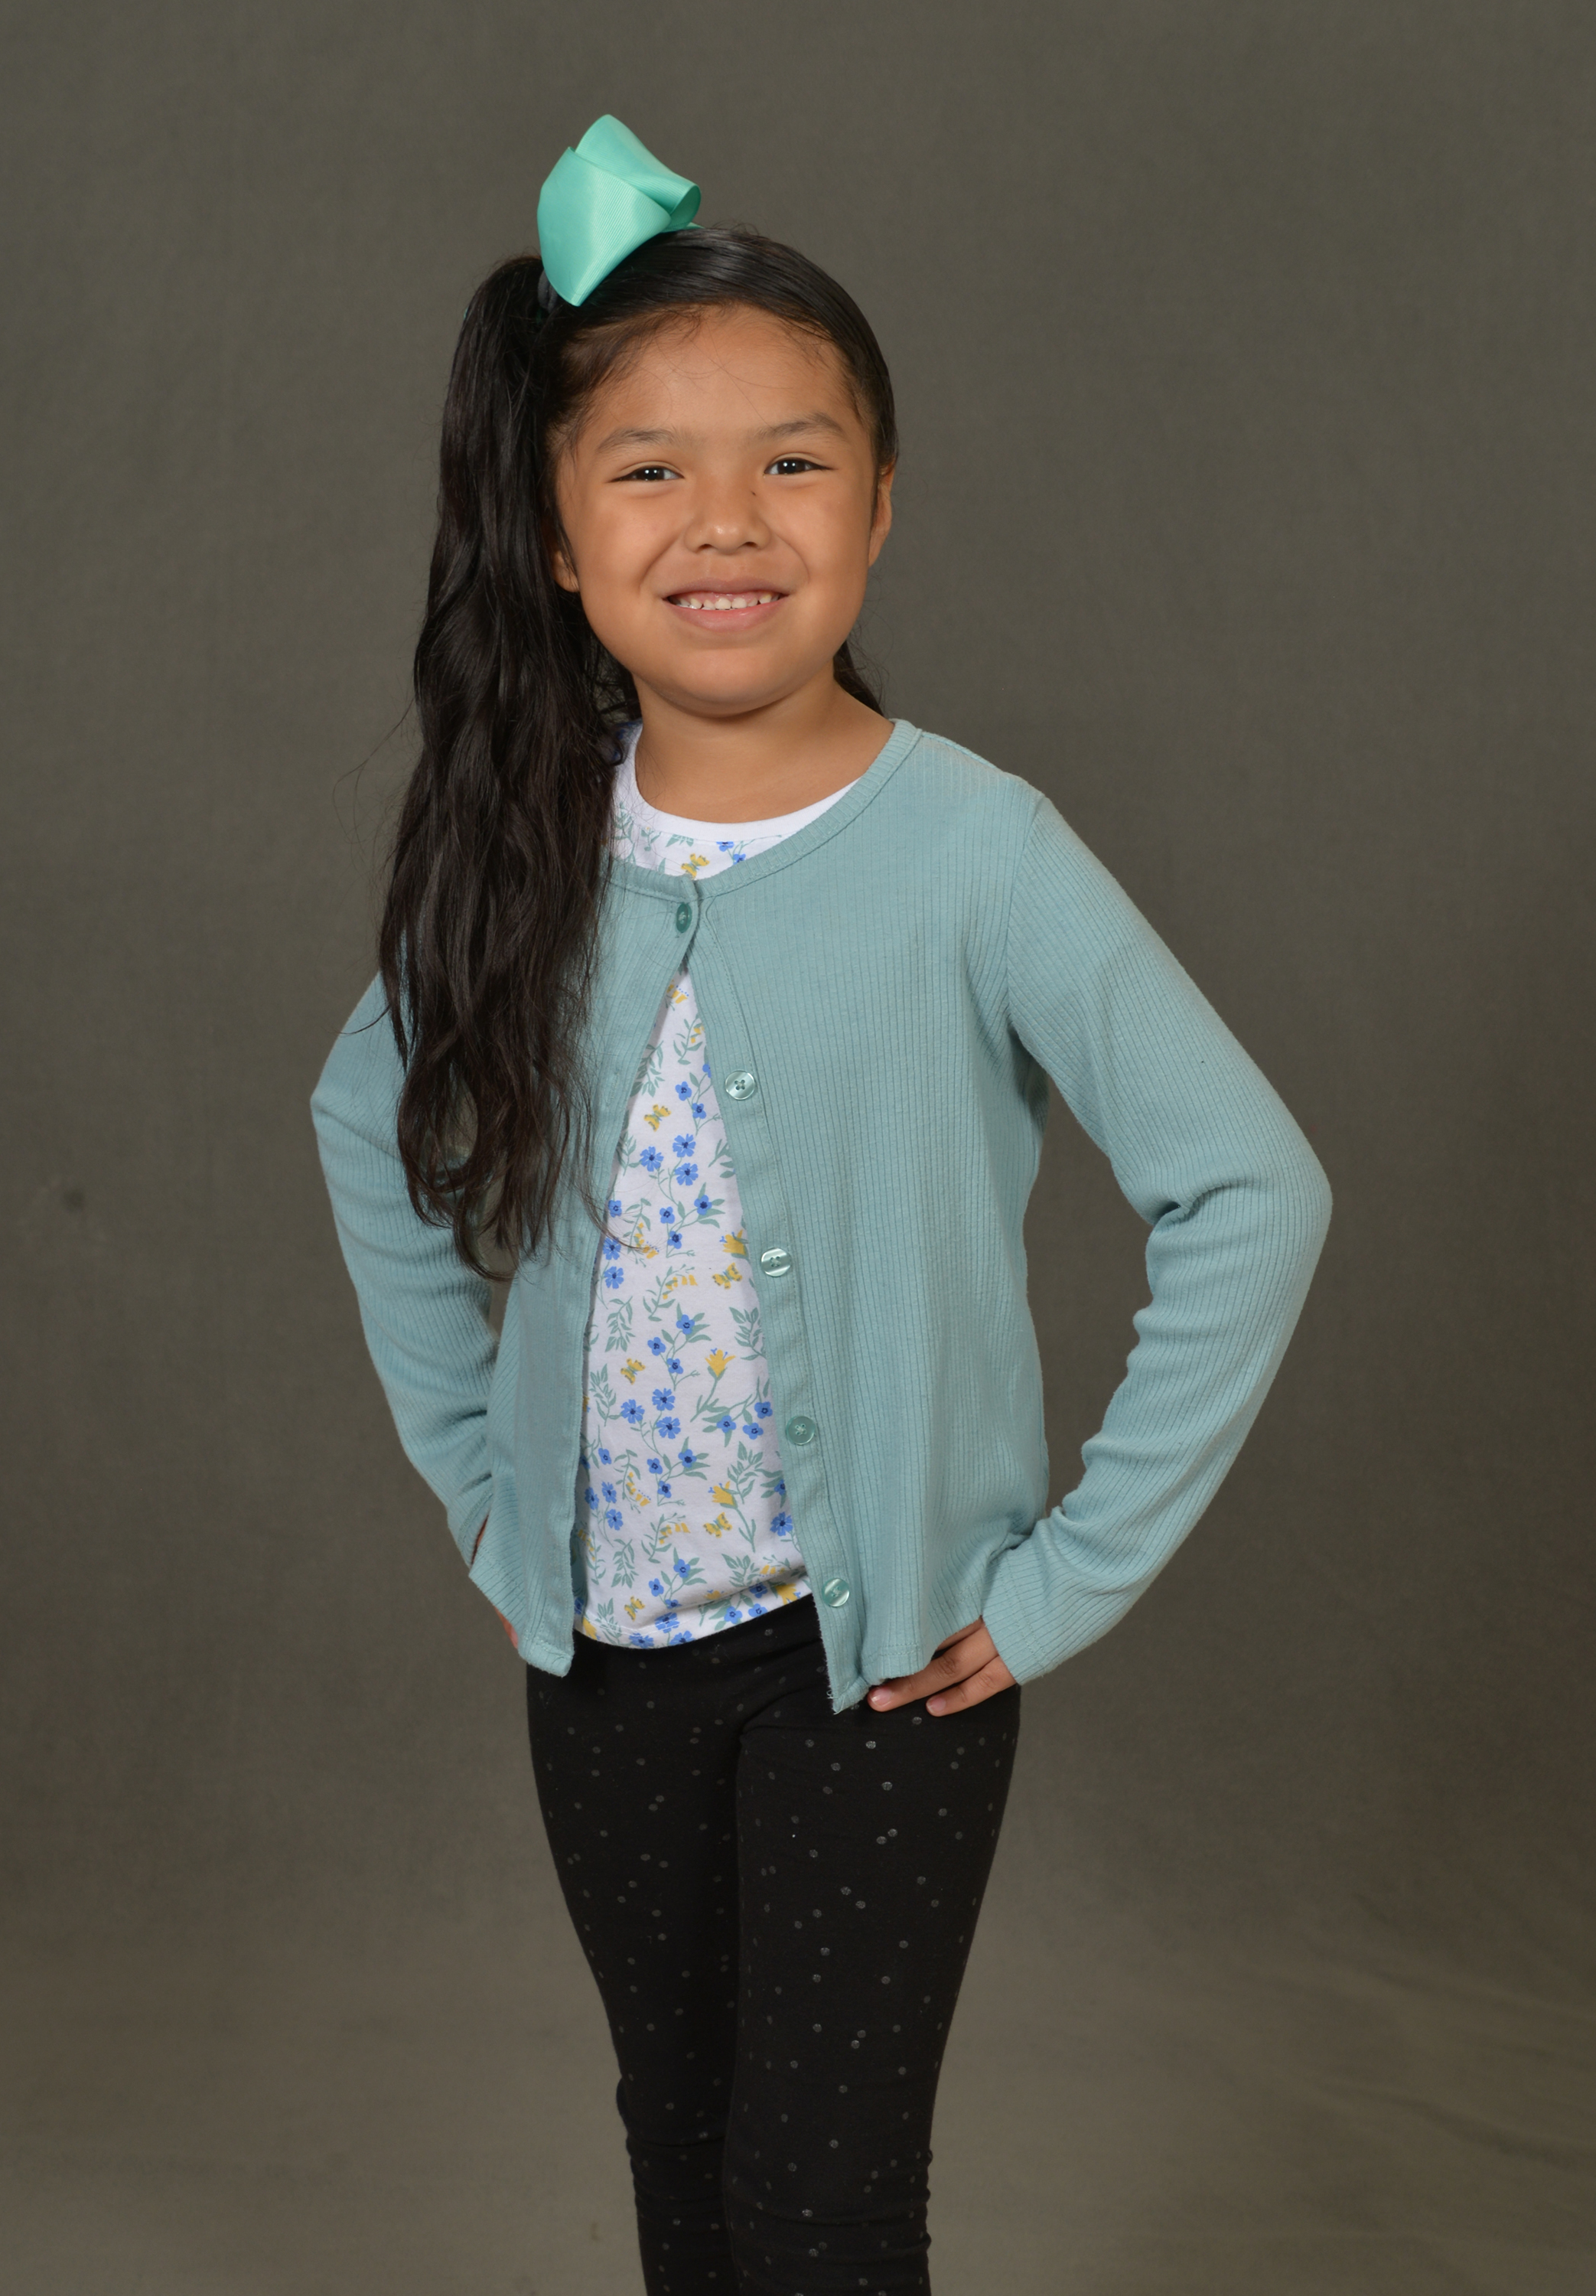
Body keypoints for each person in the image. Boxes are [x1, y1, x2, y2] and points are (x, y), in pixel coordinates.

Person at [311, 114, 1331, 2296]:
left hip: (877, 1675)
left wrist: (1064, 1579)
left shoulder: (978, 848)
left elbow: (1253, 1185)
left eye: (793, 461)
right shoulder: (530, 847)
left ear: (880, 507)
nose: (727, 522)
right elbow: (358, 1125)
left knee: (823, 2201)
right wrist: (489, 1486)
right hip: (598, 1658)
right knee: (680, 2151)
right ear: (558, 539)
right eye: (648, 470)